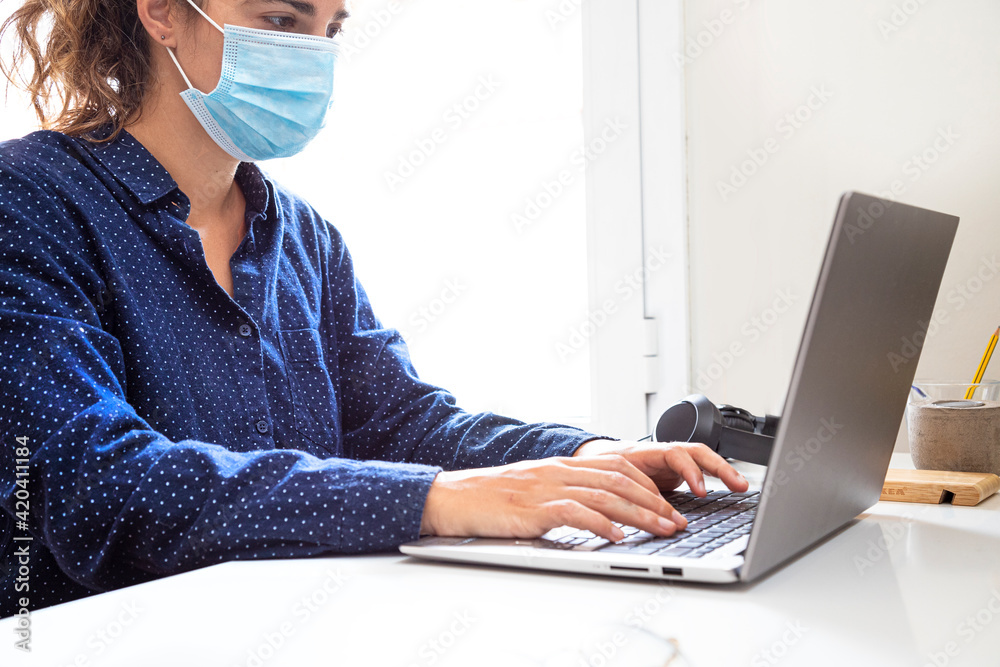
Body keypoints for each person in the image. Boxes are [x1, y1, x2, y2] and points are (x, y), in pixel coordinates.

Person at [0, 0, 747, 615]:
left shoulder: (304, 238)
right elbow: (89, 484)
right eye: (283, 21)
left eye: (331, 31)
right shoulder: (30, 201)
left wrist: (584, 457)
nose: (312, 56)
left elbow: (400, 423)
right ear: (163, 11)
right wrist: (437, 500)